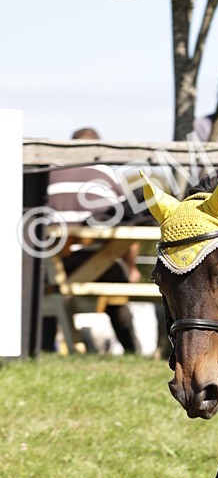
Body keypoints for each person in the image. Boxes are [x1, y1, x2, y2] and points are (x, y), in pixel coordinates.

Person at [44, 127, 141, 353]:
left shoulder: (51, 174)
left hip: (54, 259)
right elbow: (130, 225)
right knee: (116, 284)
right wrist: (131, 266)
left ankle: (44, 348)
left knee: (48, 286)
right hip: (100, 261)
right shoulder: (107, 174)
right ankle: (131, 350)